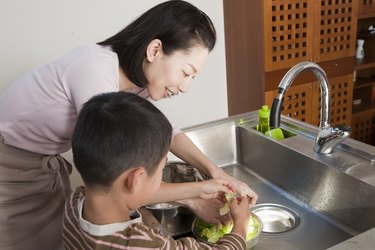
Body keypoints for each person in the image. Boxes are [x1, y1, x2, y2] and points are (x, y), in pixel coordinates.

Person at [0, 0, 257, 249]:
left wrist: (216, 173)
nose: (185, 86)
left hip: (44, 167)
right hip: (11, 167)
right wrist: (195, 194)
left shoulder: (136, 82)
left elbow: (168, 132)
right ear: (155, 50)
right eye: (186, 72)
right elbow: (118, 179)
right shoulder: (95, 72)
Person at [63, 91, 252, 250]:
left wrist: (198, 190)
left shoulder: (74, 204)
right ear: (136, 179)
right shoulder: (144, 244)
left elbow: (126, 193)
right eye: (162, 168)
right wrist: (241, 223)